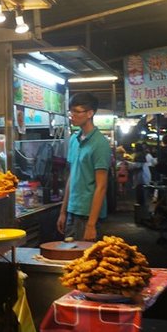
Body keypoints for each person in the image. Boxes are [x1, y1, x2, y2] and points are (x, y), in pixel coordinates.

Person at [57, 93, 110, 241]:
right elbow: (71, 177)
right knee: (70, 258)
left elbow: (101, 186)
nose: (72, 116)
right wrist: (63, 212)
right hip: (72, 211)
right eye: (70, 112)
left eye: (76, 112)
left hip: (88, 215)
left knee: (85, 260)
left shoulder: (100, 144)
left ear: (90, 113)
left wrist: (91, 225)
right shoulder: (74, 139)